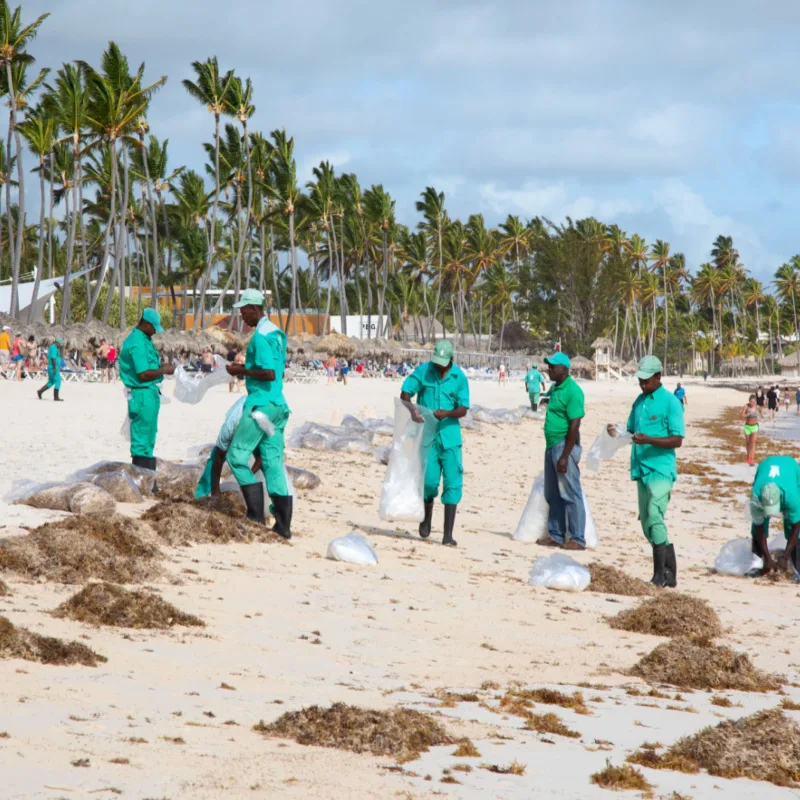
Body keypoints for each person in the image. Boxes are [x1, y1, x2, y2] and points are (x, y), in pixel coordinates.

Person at [224, 289, 292, 538]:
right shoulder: (276, 333)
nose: (242, 316)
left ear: (255, 308)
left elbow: (268, 373)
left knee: (237, 457)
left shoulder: (261, 337)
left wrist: (240, 370)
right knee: (273, 464)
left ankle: (255, 515)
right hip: (278, 405)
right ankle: (283, 526)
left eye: (244, 311)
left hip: (260, 405)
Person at [617, 355, 684, 586]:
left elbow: (677, 440)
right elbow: (629, 431)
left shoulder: (670, 402)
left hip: (661, 469)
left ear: (658, 377)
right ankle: (670, 574)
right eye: (640, 380)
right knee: (646, 523)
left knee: (655, 515)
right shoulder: (639, 402)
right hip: (640, 469)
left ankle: (659, 576)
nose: (643, 384)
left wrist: (649, 440)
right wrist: (614, 431)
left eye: (647, 380)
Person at [401, 339, 469, 547]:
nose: (438, 366)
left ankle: (447, 534)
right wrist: (413, 410)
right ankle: (427, 515)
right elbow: (405, 393)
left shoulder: (459, 378)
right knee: (429, 481)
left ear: (450, 360)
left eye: (443, 362)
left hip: (449, 437)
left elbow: (463, 408)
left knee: (452, 483)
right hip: (427, 437)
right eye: (437, 361)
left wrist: (447, 413)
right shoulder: (424, 371)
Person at [538, 351, 586, 551]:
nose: (549, 369)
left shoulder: (573, 391)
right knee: (553, 493)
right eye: (548, 365)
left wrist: (565, 456)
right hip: (551, 446)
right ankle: (556, 534)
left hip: (563, 446)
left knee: (570, 493)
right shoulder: (556, 388)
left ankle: (577, 538)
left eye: (553, 366)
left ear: (565, 369)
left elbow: (574, 425)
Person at [119, 309, 174, 477]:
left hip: (148, 393)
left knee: (149, 436)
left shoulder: (144, 339)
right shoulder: (136, 342)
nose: (155, 331)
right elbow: (143, 374)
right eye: (154, 327)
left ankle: (148, 478)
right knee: (142, 441)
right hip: (142, 394)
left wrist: (159, 367)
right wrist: (163, 370)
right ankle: (141, 479)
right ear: (146, 324)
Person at [195, 396, 264, 499]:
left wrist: (249, 476)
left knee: (268, 459)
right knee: (215, 457)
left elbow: (262, 457)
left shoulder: (263, 426)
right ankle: (202, 492)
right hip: (241, 415)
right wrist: (216, 489)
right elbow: (218, 457)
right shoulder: (229, 429)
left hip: (262, 411)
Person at [748, 455, 800, 576]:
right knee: (757, 523)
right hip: (765, 464)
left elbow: (796, 526)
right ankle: (757, 562)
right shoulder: (756, 496)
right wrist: (767, 558)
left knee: (792, 522)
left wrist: (785, 557)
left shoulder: (792, 497)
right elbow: (758, 526)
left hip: (790, 467)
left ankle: (797, 565)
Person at [36, 337, 64, 401]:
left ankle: (40, 391)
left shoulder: (52, 347)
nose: (60, 346)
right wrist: (54, 368)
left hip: (51, 367)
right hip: (53, 367)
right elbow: (53, 358)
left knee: (51, 382)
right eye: (59, 344)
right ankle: (56, 397)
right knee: (58, 382)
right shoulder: (54, 348)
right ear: (58, 343)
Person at [742, 394, 759, 466]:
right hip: (747, 427)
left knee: (753, 442)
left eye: (754, 402)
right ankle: (748, 456)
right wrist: (747, 414)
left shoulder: (757, 406)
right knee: (748, 443)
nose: (753, 403)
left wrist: (762, 416)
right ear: (749, 401)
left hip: (755, 426)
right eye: (751, 402)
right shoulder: (746, 406)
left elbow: (761, 412)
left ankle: (752, 459)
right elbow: (742, 415)